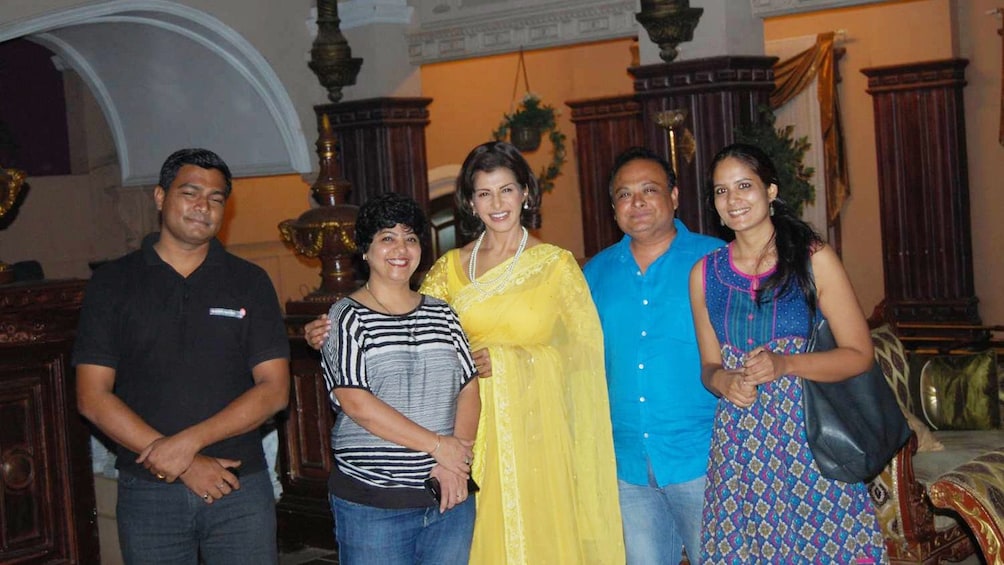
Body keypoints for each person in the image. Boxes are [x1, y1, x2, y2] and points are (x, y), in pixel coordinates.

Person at [307, 141, 625, 564]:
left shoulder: (555, 266)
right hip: (447, 440)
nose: (497, 203)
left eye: (507, 190)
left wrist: (514, 360)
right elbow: (400, 320)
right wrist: (327, 329)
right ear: (471, 202)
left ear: (525, 193)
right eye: (484, 193)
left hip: (533, 436)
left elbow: (583, 357)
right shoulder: (448, 269)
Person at [73, 148, 291, 564]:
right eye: (190, 192)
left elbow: (274, 390)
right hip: (150, 493)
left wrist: (188, 445)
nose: (202, 206)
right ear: (160, 196)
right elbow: (92, 396)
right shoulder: (113, 283)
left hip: (240, 488)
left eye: (215, 198)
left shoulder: (248, 281)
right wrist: (184, 463)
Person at [690, 143, 886, 563]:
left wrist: (785, 364)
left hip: (810, 439)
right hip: (741, 446)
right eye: (721, 191)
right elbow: (709, 364)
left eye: (744, 185)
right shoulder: (705, 274)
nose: (733, 199)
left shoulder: (813, 259)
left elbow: (859, 354)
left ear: (771, 190)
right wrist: (722, 380)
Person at [319, 192, 480, 565]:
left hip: (448, 497)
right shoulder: (346, 317)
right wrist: (438, 446)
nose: (401, 248)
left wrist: (454, 463)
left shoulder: (443, 314)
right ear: (365, 250)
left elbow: (469, 389)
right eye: (386, 238)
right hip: (374, 505)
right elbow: (357, 404)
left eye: (410, 237)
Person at [583, 147, 723, 565]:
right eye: (624, 195)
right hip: (626, 465)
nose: (637, 202)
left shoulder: (717, 260)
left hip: (705, 458)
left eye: (649, 190)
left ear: (675, 196)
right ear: (613, 209)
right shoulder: (595, 274)